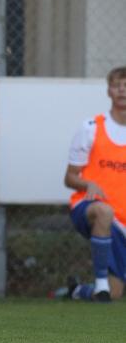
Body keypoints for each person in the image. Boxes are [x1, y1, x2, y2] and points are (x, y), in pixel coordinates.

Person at [59, 66, 126, 302]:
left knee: (117, 292)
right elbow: (69, 177)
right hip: (90, 208)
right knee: (104, 210)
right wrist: (87, 184)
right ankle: (100, 285)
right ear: (109, 91)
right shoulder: (91, 128)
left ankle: (80, 290)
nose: (122, 90)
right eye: (117, 85)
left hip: (122, 222)